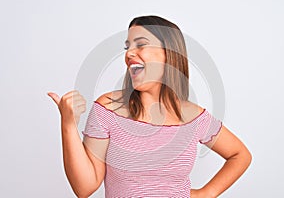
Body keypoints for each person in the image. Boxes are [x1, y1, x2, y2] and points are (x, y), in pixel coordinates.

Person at [48, 15, 252, 197]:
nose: (129, 54)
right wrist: (68, 124)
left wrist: (207, 193)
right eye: (128, 47)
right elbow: (84, 188)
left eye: (141, 44)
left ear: (169, 53)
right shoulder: (108, 109)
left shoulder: (194, 117)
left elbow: (240, 155)